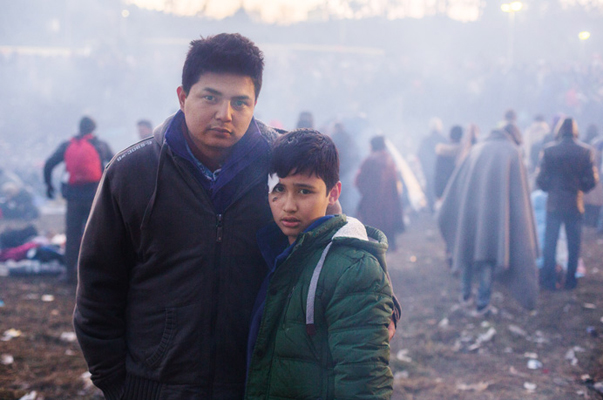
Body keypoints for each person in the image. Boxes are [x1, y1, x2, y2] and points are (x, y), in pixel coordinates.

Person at [73, 33, 398, 400]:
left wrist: (382, 311)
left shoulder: (285, 167)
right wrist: (119, 384)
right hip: (156, 386)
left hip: (256, 385)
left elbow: (338, 249)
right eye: (210, 97)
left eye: (240, 102)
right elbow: (98, 289)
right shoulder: (133, 173)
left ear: (255, 103)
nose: (224, 114)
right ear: (183, 97)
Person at [246, 129, 396, 400]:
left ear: (333, 193)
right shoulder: (279, 253)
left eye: (304, 191)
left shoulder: (352, 269)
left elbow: (363, 384)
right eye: (278, 190)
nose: (288, 206)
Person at [438, 126, 539, 315]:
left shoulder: (477, 149)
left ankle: (465, 297)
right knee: (487, 258)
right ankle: (483, 304)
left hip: (471, 214)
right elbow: (519, 196)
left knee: (467, 252)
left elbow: (458, 184)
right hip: (495, 216)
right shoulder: (512, 152)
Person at [43, 116, 113, 283]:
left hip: (73, 197)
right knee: (95, 234)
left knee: (72, 235)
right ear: (93, 129)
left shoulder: (68, 144)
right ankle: (95, 273)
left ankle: (69, 273)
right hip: (94, 197)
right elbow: (115, 164)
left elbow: (49, 164)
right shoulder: (100, 145)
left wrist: (49, 185)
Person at [536, 118, 598, 290]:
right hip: (574, 203)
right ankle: (571, 281)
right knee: (573, 245)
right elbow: (592, 180)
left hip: (554, 204)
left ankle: (549, 281)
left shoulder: (549, 150)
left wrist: (551, 189)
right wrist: (580, 189)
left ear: (559, 131)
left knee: (550, 245)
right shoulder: (585, 151)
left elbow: (540, 179)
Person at [356, 135, 405, 251]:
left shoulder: (370, 160)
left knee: (374, 223)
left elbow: (359, 180)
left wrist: (366, 193)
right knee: (388, 220)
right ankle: (390, 244)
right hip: (389, 200)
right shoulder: (389, 159)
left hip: (373, 200)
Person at [417, 118, 445, 212]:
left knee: (430, 190)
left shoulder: (425, 140)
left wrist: (426, 167)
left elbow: (420, 155)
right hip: (442, 172)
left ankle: (432, 210)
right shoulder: (444, 139)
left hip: (429, 171)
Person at [433, 125, 463, 200]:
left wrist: (438, 194)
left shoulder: (442, 153)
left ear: (449, 136)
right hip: (460, 193)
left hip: (445, 193)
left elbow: (438, 176)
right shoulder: (465, 154)